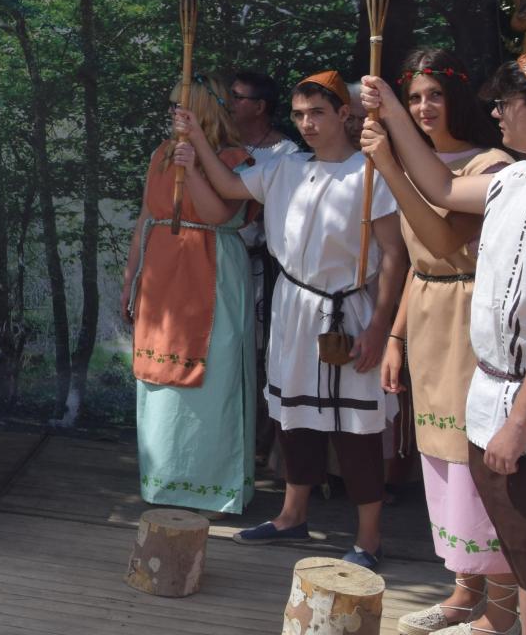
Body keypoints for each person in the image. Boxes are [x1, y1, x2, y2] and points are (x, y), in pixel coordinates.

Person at [361, 41, 526, 635]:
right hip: (513, 405)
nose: (497, 113)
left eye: (507, 102)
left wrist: (520, 421)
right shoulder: (523, 180)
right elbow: (444, 190)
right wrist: (394, 119)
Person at [178, 70, 407, 568]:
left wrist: (380, 328)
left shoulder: (372, 173)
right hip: (294, 307)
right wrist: (194, 142)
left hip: (350, 308)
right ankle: (291, 516)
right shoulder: (285, 167)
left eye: (317, 113)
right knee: (294, 418)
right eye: (300, 115)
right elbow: (228, 192)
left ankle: (368, 539)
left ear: (344, 115)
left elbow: (393, 255)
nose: (306, 123)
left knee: (356, 429)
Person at [362, 49, 517, 635]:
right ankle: (461, 594)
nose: (425, 107)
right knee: (440, 460)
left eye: (435, 95)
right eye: (415, 96)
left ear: (459, 99)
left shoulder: (493, 165)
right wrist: (397, 334)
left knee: (475, 461)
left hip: (471, 319)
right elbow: (418, 266)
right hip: (427, 314)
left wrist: (394, 165)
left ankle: (499, 616)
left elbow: (446, 243)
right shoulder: (415, 159)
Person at [122, 74, 256, 514]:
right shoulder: (162, 153)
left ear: (202, 110)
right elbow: (146, 214)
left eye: (182, 108)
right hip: (162, 273)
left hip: (212, 270)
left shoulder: (237, 158)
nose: (173, 116)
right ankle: (164, 482)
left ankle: (211, 486)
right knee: (159, 380)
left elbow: (220, 213)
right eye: (173, 109)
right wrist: (131, 274)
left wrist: (195, 160)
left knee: (213, 375)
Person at [230, 70, 302, 463]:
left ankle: (260, 448)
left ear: (259, 106)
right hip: (217, 264)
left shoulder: (287, 155)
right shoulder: (219, 145)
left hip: (261, 269)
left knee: (259, 356)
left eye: (237, 97)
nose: (229, 104)